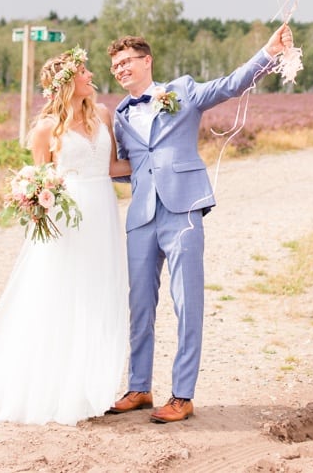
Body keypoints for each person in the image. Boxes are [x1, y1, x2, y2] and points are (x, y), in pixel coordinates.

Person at [105, 22, 293, 424]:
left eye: (127, 62)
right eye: (115, 66)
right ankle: (139, 387)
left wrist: (268, 52)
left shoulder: (183, 91)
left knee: (187, 302)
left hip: (184, 208)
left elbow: (231, 85)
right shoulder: (119, 117)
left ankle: (182, 395)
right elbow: (124, 166)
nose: (120, 70)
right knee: (140, 305)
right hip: (141, 216)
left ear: (147, 61)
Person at [0, 47, 131, 424]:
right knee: (63, 295)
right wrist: (35, 200)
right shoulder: (44, 129)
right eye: (84, 72)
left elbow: (113, 165)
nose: (91, 76)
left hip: (102, 213)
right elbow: (40, 179)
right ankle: (56, 390)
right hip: (68, 221)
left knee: (98, 294)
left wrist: (155, 163)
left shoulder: (103, 115)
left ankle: (89, 387)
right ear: (68, 83)